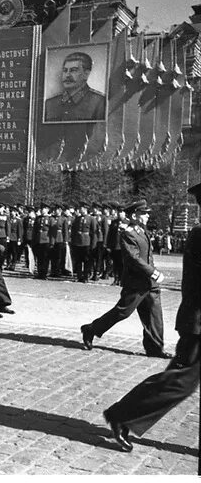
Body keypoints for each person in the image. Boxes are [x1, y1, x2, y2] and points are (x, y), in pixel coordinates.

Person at [101, 182, 201, 452]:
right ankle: (124, 414)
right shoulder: (200, 234)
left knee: (181, 379)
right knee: (181, 381)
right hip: (198, 323)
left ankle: (125, 414)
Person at [80, 200, 173, 358]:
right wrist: (153, 272)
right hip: (137, 282)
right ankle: (91, 329)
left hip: (149, 282)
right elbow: (133, 259)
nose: (147, 216)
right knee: (122, 312)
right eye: (144, 213)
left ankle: (155, 348)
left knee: (154, 314)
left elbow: (147, 255)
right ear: (135, 215)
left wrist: (152, 274)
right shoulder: (128, 233)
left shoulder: (141, 230)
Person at [44, 51, 106, 122]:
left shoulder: (99, 102)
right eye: (65, 70)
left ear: (86, 74)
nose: (67, 75)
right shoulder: (50, 104)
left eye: (73, 70)